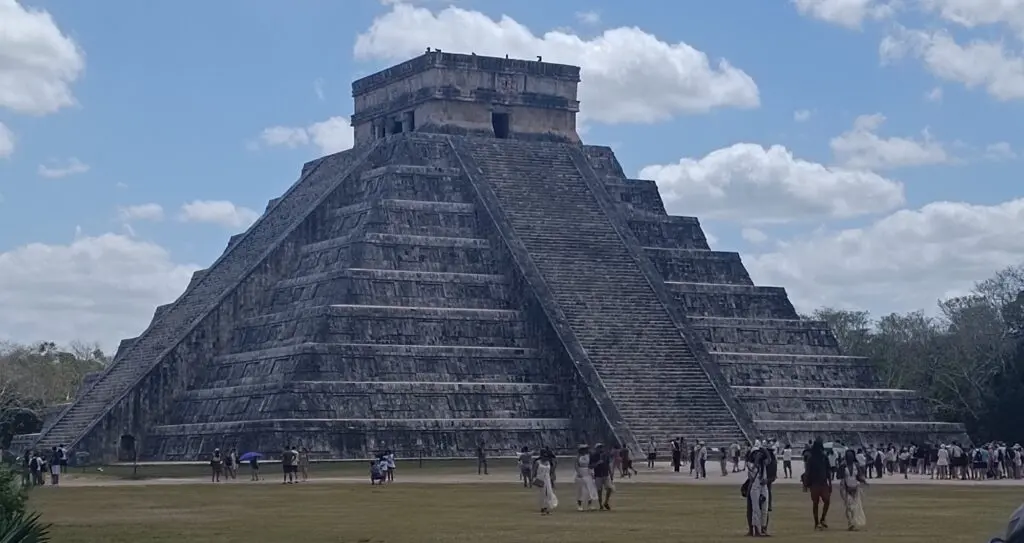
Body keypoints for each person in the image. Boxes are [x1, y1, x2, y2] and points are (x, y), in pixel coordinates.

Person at [803, 437, 833, 530]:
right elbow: (808, 471)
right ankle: (817, 522)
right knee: (817, 503)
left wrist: (830, 482)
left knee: (826, 501)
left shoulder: (823, 457)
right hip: (815, 483)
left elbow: (828, 470)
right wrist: (806, 483)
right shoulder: (812, 458)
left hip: (822, 482)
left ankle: (822, 519)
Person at [838, 449, 868, 531]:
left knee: (854, 507)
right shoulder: (843, 465)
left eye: (851, 456)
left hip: (855, 488)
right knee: (849, 506)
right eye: (848, 456)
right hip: (845, 489)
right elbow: (838, 476)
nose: (850, 457)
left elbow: (859, 476)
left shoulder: (856, 466)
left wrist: (864, 481)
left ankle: (852, 523)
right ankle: (850, 523)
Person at [744, 443, 769, 537]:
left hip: (763, 486)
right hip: (755, 487)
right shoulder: (749, 463)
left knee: (764, 508)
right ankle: (756, 529)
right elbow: (754, 469)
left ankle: (763, 528)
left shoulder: (763, 463)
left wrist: (765, 451)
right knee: (756, 509)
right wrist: (758, 459)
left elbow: (769, 460)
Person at [574, 445, 598, 512]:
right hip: (581, 473)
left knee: (590, 489)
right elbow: (576, 466)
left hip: (588, 473)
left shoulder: (588, 456)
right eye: (584, 449)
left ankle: (590, 505)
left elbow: (590, 465)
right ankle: (579, 505)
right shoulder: (578, 457)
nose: (585, 450)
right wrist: (579, 473)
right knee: (581, 490)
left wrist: (592, 472)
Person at [534, 450, 558, 515]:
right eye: (544, 456)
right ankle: (543, 508)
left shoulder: (548, 462)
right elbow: (534, 472)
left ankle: (546, 507)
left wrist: (551, 477)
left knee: (549, 493)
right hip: (540, 478)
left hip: (547, 479)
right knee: (543, 493)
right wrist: (534, 480)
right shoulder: (537, 462)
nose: (545, 458)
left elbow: (551, 471)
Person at [591, 443, 614, 511]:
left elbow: (608, 464)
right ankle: (600, 504)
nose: (601, 449)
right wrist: (597, 463)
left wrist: (611, 473)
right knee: (599, 491)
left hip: (605, 474)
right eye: (599, 448)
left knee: (609, 488)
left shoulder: (605, 455)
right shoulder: (593, 456)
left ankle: (606, 502)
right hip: (598, 475)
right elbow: (590, 466)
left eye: (601, 447)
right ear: (596, 449)